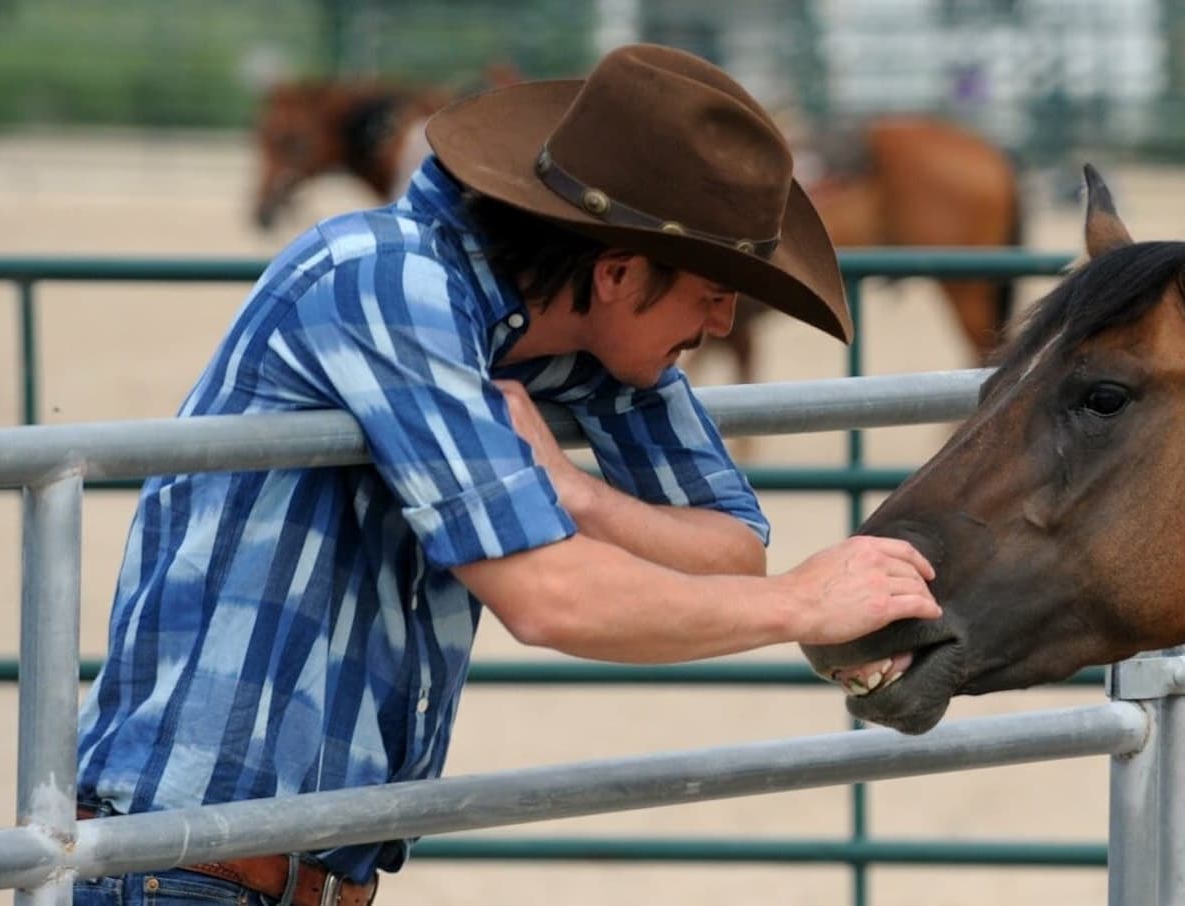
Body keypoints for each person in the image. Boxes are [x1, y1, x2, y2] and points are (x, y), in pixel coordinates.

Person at [72, 43, 938, 906]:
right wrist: (801, 605)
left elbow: (730, 551)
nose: (723, 321)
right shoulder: (385, 279)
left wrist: (569, 488)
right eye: (713, 291)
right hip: (184, 863)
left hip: (284, 871)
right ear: (618, 270)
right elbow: (549, 598)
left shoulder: (590, 338)